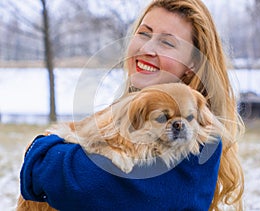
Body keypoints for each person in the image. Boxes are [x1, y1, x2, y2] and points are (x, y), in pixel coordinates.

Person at [19, 0, 244, 210]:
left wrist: (41, 150)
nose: (147, 49)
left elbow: (79, 182)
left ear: (192, 63)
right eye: (144, 34)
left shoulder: (199, 141)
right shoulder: (124, 114)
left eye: (167, 42)